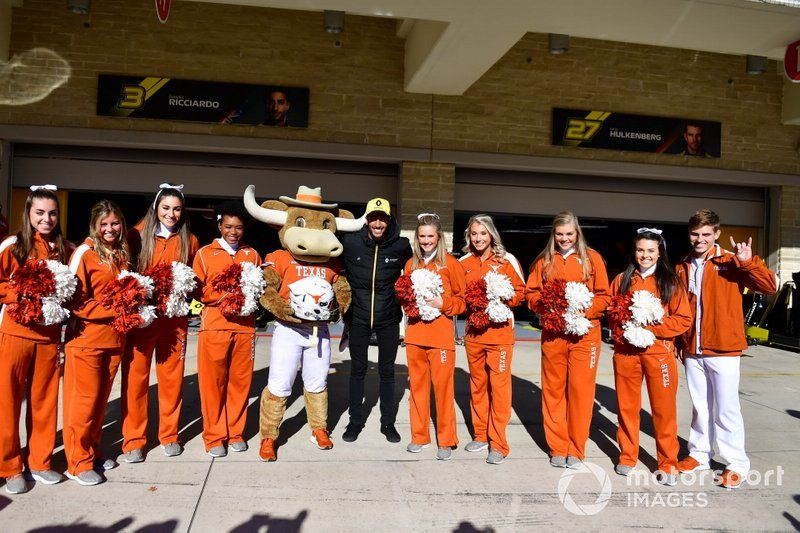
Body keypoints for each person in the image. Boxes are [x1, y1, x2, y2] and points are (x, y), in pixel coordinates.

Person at [675, 209, 777, 489]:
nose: (700, 239)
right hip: (693, 349)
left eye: (706, 234)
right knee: (700, 407)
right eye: (695, 234)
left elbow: (769, 287)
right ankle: (699, 455)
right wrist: (678, 341)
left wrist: (749, 262)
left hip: (724, 348)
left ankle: (737, 464)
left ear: (717, 234)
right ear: (689, 234)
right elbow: (681, 306)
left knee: (727, 409)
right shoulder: (682, 264)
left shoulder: (732, 262)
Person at [525, 211, 610, 469]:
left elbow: (604, 297)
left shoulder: (592, 259)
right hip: (554, 335)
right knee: (553, 392)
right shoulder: (544, 261)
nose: (564, 238)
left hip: (585, 336)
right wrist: (546, 305)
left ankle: (576, 447)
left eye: (569, 234)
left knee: (581, 392)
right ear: (554, 234)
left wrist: (584, 309)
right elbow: (531, 294)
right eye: (560, 234)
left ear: (577, 233)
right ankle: (557, 446)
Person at [121, 184, 199, 463]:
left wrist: (190, 302)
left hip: (173, 321)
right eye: (166, 207)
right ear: (156, 207)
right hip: (143, 320)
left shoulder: (189, 240)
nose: (171, 214)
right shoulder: (135, 235)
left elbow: (194, 281)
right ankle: (134, 439)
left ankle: (169, 435)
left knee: (171, 380)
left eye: (177, 209)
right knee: (136, 381)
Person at [0, 186, 70, 494]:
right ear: (28, 213)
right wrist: (21, 293)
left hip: (49, 336)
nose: (47, 219)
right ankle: (10, 466)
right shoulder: (12, 246)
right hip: (15, 333)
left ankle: (40, 462)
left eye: (52, 213)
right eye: (40, 213)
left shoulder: (65, 248)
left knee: (44, 400)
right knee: (8, 401)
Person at [609, 228, 691, 486]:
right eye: (640, 250)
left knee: (664, 411)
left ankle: (667, 463)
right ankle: (627, 455)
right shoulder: (622, 279)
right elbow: (611, 312)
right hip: (626, 353)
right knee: (626, 407)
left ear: (659, 253)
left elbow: (683, 319)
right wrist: (623, 324)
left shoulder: (671, 281)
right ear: (634, 251)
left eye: (650, 251)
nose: (645, 255)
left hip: (659, 355)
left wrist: (650, 327)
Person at [63, 200, 130, 486]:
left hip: (114, 340)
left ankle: (92, 451)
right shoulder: (84, 253)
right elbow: (75, 300)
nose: (110, 228)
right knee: (83, 403)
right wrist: (117, 310)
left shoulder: (120, 254)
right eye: (104, 224)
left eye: (114, 223)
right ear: (94, 225)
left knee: (100, 403)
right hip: (86, 341)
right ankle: (77, 463)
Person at [339, 198, 411, 443]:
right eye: (374, 217)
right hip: (358, 318)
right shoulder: (351, 243)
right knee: (357, 371)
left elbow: (418, 271)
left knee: (387, 371)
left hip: (388, 319)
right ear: (367, 219)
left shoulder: (401, 246)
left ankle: (387, 423)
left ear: (389, 220)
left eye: (383, 218)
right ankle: (354, 422)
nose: (378, 223)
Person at [192, 200, 259, 457]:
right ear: (219, 225)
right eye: (228, 226)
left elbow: (256, 288)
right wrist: (226, 294)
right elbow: (198, 289)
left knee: (240, 384)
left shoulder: (251, 254)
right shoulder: (204, 254)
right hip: (215, 327)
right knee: (213, 384)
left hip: (244, 328)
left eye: (239, 227)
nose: (233, 232)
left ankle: (236, 432)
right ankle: (214, 436)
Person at [458, 214, 525, 465]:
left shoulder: (506, 260)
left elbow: (522, 293)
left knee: (499, 389)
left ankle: (499, 444)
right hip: (474, 334)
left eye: (483, 233)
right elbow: (458, 296)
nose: (478, 238)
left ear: (491, 235)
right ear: (469, 236)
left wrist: (503, 296)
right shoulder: (463, 262)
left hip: (500, 336)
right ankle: (480, 434)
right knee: (477, 385)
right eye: (474, 233)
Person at [400, 213, 465, 461]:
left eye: (431, 236)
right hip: (415, 335)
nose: (426, 240)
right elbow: (404, 295)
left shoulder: (451, 264)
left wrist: (443, 303)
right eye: (422, 236)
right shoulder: (410, 264)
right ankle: (419, 436)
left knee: (443, 390)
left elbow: (463, 300)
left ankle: (446, 440)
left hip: (440, 338)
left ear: (439, 238)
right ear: (417, 238)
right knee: (416, 388)